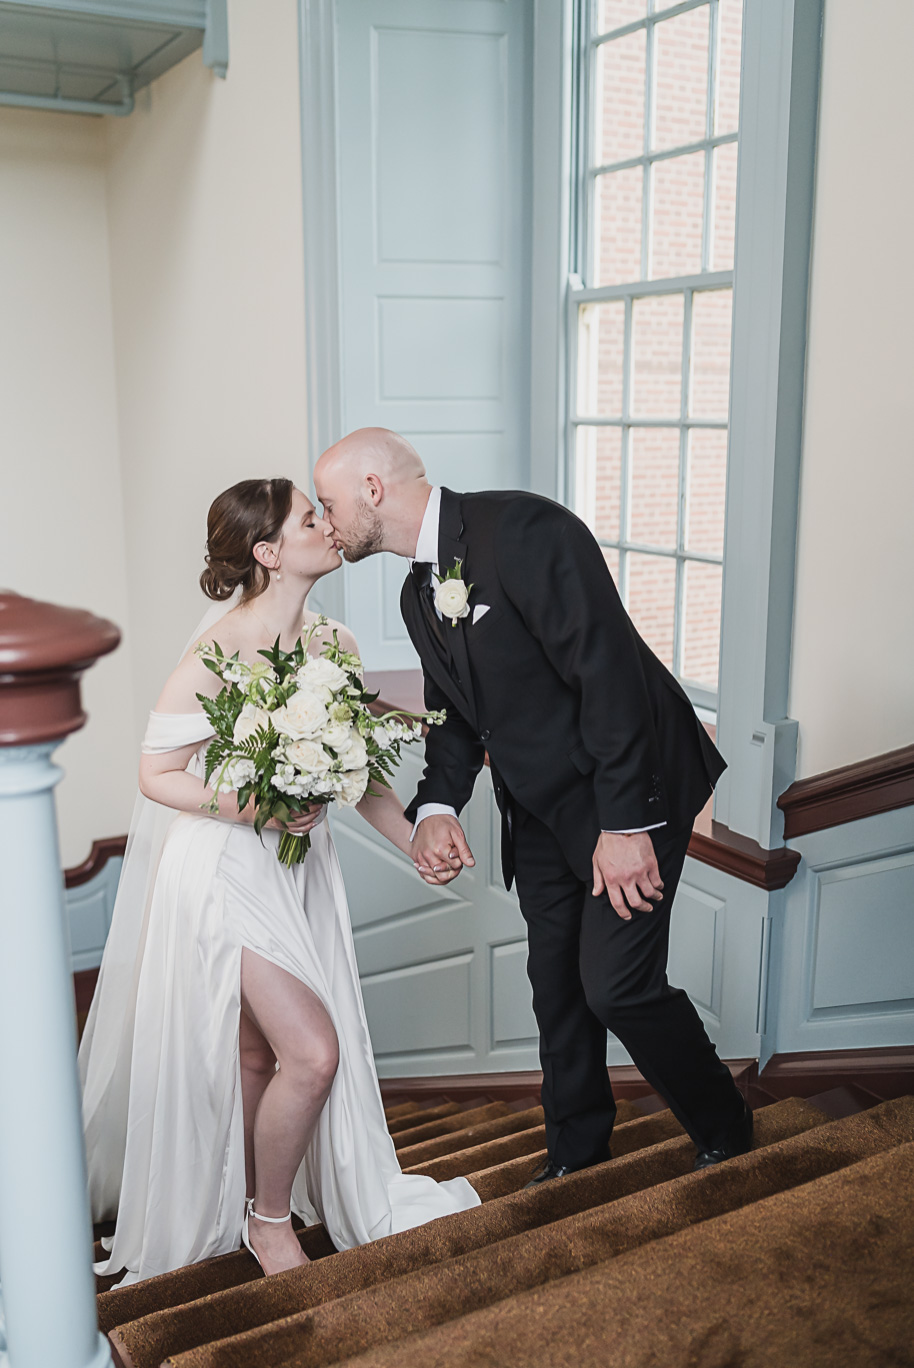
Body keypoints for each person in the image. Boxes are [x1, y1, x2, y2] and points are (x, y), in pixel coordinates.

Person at [314, 430, 753, 1181]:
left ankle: (727, 1130)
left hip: (627, 790)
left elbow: (610, 676)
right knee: (556, 988)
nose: (325, 522)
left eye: (328, 503)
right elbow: (455, 716)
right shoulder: (416, 592)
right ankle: (575, 1156)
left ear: (373, 490)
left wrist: (623, 826)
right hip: (541, 810)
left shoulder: (525, 530)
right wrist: (436, 807)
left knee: (618, 985)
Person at [78, 478, 479, 1286]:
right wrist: (252, 804)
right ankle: (268, 1224)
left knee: (258, 1057)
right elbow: (157, 774)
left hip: (298, 873)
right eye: (310, 518)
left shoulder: (335, 645)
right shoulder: (217, 654)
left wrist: (414, 842)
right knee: (314, 1053)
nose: (329, 526)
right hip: (224, 868)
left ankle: (243, 1201)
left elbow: (358, 773)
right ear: (267, 552)